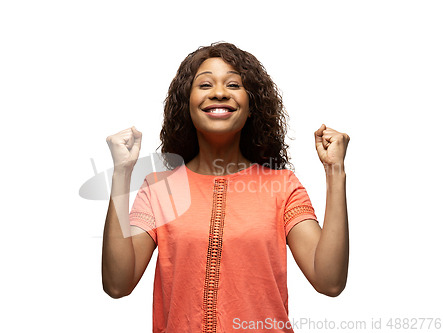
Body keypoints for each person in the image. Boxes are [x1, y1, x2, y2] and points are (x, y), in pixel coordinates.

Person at [102, 42, 350, 332]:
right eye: (205, 84)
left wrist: (335, 171)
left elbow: (329, 280)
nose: (219, 92)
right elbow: (118, 284)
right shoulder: (160, 189)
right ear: (187, 104)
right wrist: (121, 173)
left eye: (233, 84)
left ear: (251, 107)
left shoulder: (281, 187)